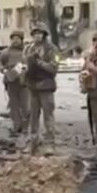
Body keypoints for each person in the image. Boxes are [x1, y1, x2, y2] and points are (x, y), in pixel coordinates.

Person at [22, 23, 60, 154]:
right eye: (35, 33)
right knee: (32, 116)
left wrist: (39, 62)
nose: (37, 36)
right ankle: (33, 142)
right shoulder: (28, 48)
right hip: (32, 86)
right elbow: (23, 64)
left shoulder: (52, 49)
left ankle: (50, 143)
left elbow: (54, 68)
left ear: (44, 35)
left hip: (46, 85)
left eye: (40, 33)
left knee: (48, 116)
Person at [0, 30, 28, 137]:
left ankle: (26, 127)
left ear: (21, 40)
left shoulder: (27, 51)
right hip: (11, 81)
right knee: (14, 105)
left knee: (26, 106)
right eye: (13, 39)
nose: (15, 41)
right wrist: (3, 69)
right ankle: (16, 126)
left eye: (17, 39)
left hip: (25, 82)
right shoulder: (6, 52)